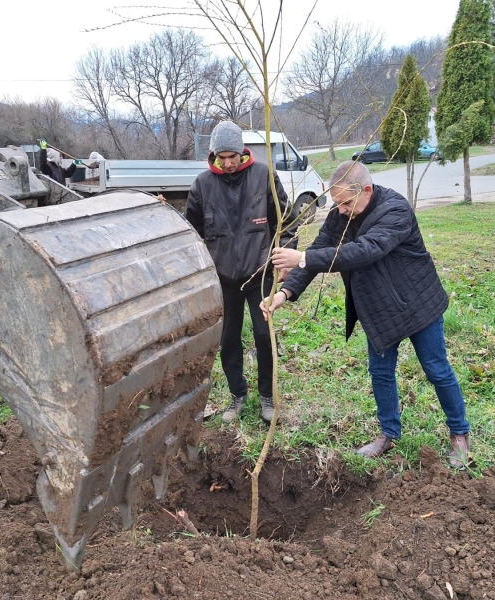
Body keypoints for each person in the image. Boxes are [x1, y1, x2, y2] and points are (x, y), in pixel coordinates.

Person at [262, 160, 471, 467]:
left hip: (417, 303)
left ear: (367, 190)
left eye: (345, 202)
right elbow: (321, 250)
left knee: (436, 369)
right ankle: (388, 434)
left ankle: (460, 434)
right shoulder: (340, 214)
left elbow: (365, 250)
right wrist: (285, 292)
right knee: (381, 373)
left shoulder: (395, 210)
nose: (341, 209)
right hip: (379, 308)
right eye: (336, 203)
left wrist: (302, 257)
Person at [185, 120, 298, 425]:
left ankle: (266, 396)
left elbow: (285, 222)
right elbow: (192, 234)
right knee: (228, 339)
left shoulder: (263, 177)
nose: (228, 163)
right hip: (222, 280)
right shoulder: (202, 185)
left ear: (241, 152)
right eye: (221, 158)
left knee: (264, 336)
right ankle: (237, 395)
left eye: (231, 156)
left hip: (259, 273)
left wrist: (284, 259)